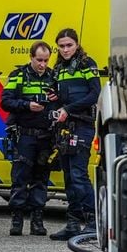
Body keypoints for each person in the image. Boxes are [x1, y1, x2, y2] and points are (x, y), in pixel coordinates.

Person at [1, 41, 59, 236]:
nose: (42, 64)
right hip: (25, 135)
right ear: (31, 57)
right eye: (38, 60)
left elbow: (63, 103)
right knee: (20, 178)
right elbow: (5, 101)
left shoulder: (54, 76)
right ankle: (17, 219)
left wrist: (55, 100)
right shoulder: (18, 75)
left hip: (46, 136)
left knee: (41, 179)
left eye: (45, 60)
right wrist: (26, 105)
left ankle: (37, 220)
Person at [49, 27, 99, 240]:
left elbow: (94, 94)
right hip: (65, 127)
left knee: (79, 175)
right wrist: (56, 99)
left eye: (69, 45)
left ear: (77, 44)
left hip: (83, 125)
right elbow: (63, 98)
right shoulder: (59, 67)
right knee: (69, 176)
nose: (65, 49)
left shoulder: (88, 64)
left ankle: (94, 222)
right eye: (61, 46)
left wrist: (68, 109)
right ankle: (72, 223)